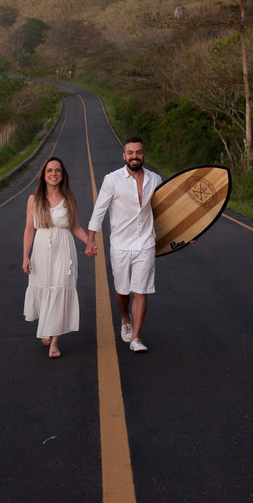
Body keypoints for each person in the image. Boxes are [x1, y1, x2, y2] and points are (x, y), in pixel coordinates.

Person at [88, 137, 162, 353]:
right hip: (120, 244)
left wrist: (185, 234)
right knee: (122, 291)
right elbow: (99, 209)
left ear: (143, 154)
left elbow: (164, 211)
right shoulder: (112, 180)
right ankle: (125, 317)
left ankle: (136, 338)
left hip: (145, 243)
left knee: (141, 291)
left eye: (138, 152)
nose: (135, 156)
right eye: (130, 153)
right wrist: (91, 238)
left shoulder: (155, 179)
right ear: (124, 156)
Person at [22, 157, 97, 358]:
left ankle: (54, 342)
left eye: (58, 171)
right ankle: (46, 328)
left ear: (63, 175)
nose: (54, 174)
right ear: (44, 175)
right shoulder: (34, 199)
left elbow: (75, 226)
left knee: (60, 288)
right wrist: (25, 256)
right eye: (50, 171)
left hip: (64, 250)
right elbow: (29, 229)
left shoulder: (69, 197)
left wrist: (89, 243)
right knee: (44, 289)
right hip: (41, 250)